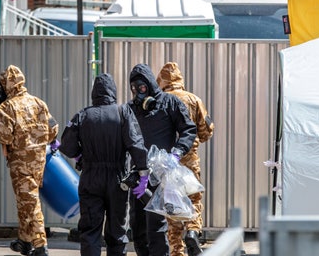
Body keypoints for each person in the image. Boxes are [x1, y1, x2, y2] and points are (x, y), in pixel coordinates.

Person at [58, 73, 150, 256]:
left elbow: (66, 146)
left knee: (90, 231)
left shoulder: (83, 115)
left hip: (90, 178)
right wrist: (143, 174)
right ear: (113, 92)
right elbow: (136, 145)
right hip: (118, 180)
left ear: (94, 93)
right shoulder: (123, 112)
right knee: (117, 233)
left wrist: (80, 156)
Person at [0, 65, 59, 256]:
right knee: (25, 201)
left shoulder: (7, 108)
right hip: (39, 163)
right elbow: (53, 130)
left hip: (20, 164)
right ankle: (25, 241)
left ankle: (40, 245)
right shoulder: (38, 103)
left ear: (7, 86)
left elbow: (5, 138)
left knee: (30, 203)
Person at [127, 63, 197, 256]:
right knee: (137, 225)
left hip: (162, 173)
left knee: (156, 226)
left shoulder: (170, 102)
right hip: (139, 175)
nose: (138, 92)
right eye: (134, 88)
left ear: (150, 84)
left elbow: (188, 129)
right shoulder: (131, 108)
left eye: (141, 87)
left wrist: (176, 153)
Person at [157, 62, 214, 256]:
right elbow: (206, 131)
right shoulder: (194, 99)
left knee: (172, 208)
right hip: (190, 161)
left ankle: (177, 252)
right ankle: (192, 230)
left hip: (167, 164)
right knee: (194, 199)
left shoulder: (159, 100)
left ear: (162, 81)